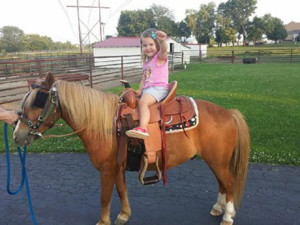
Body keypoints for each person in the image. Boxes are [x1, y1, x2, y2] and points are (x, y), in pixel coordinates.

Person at [126, 28, 169, 139]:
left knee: (143, 103)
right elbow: (143, 79)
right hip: (149, 89)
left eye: (151, 44)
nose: (148, 48)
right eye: (145, 45)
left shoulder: (158, 58)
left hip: (159, 88)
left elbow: (164, 51)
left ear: (157, 45)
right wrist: (140, 90)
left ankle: (143, 128)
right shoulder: (146, 63)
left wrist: (163, 41)